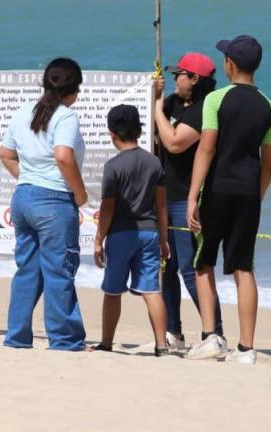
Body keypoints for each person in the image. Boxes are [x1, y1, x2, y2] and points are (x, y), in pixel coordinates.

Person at [186, 35, 271, 364]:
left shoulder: (216, 100)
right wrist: (259, 194)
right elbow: (269, 162)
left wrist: (192, 196)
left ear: (229, 64)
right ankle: (247, 347)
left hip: (217, 189)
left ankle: (211, 336)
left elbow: (206, 148)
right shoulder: (269, 106)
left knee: (203, 263)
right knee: (243, 267)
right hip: (248, 192)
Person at [0, 57, 88, 351]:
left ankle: (17, 336)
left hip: (24, 196)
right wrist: (80, 193)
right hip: (53, 199)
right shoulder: (66, 116)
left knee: (27, 269)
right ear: (74, 89)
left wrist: (26, 177)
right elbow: (63, 155)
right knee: (59, 270)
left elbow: (5, 153)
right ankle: (65, 339)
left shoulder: (24, 111)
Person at [153, 52, 224, 350]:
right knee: (165, 266)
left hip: (187, 198)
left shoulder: (202, 110)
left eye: (178, 74)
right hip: (163, 195)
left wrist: (158, 107)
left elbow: (174, 142)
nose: (174, 79)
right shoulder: (171, 103)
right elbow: (152, 131)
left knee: (190, 268)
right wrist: (153, 96)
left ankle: (215, 333)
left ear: (194, 79)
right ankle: (173, 332)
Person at [91, 104, 171, 356]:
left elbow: (107, 207)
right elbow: (161, 204)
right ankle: (161, 344)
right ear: (139, 130)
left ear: (111, 133)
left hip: (121, 234)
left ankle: (106, 342)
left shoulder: (113, 166)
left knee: (113, 290)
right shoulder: (154, 162)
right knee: (151, 290)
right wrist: (164, 238)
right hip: (150, 233)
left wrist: (98, 239)